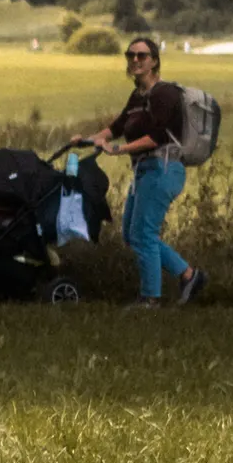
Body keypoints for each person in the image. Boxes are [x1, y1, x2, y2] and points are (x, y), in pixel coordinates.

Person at [77, 35, 207, 307]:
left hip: (163, 168)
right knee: (132, 235)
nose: (134, 60)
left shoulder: (165, 94)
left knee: (144, 234)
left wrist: (120, 150)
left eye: (141, 56)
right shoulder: (138, 96)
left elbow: (157, 136)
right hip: (144, 170)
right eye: (130, 55)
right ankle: (189, 275)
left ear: (154, 61)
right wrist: (88, 139)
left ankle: (150, 299)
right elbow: (116, 128)